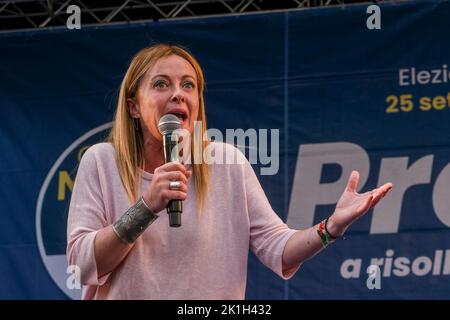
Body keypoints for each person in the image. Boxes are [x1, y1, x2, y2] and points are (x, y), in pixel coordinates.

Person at [66, 44, 393, 300]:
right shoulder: (102, 161)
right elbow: (81, 266)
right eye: (162, 84)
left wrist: (331, 227)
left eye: (188, 85)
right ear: (134, 105)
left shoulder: (226, 162)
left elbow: (277, 247)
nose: (178, 93)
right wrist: (146, 207)